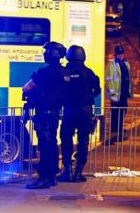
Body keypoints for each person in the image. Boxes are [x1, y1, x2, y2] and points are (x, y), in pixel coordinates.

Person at [22, 41, 69, 189]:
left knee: (44, 145)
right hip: (54, 113)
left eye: (46, 51)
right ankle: (52, 176)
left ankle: (44, 178)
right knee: (52, 144)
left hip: (44, 113)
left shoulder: (45, 72)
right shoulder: (64, 72)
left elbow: (27, 87)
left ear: (51, 54)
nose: (44, 54)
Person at [58, 45, 101, 183]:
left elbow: (60, 90)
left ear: (69, 56)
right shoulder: (88, 72)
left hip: (69, 110)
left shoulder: (65, 72)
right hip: (85, 111)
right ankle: (78, 172)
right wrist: (88, 98)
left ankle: (67, 171)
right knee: (83, 141)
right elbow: (97, 89)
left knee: (66, 139)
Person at [105, 45, 133, 143]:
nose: (121, 56)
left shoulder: (126, 64)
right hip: (115, 94)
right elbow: (108, 80)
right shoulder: (111, 65)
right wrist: (112, 93)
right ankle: (115, 131)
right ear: (115, 55)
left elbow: (128, 78)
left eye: (122, 54)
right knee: (116, 113)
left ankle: (119, 129)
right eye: (119, 54)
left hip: (123, 93)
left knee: (123, 111)